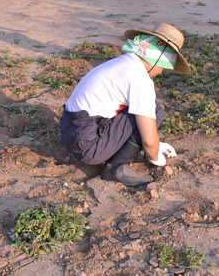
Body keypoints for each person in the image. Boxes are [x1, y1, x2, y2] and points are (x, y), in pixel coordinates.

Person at [60, 23, 190, 187]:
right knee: (154, 111)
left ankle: (112, 154)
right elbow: (149, 141)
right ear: (158, 58)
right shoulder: (140, 78)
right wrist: (156, 157)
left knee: (145, 110)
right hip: (87, 145)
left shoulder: (122, 63)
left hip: (72, 130)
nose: (162, 72)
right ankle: (115, 169)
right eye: (164, 67)